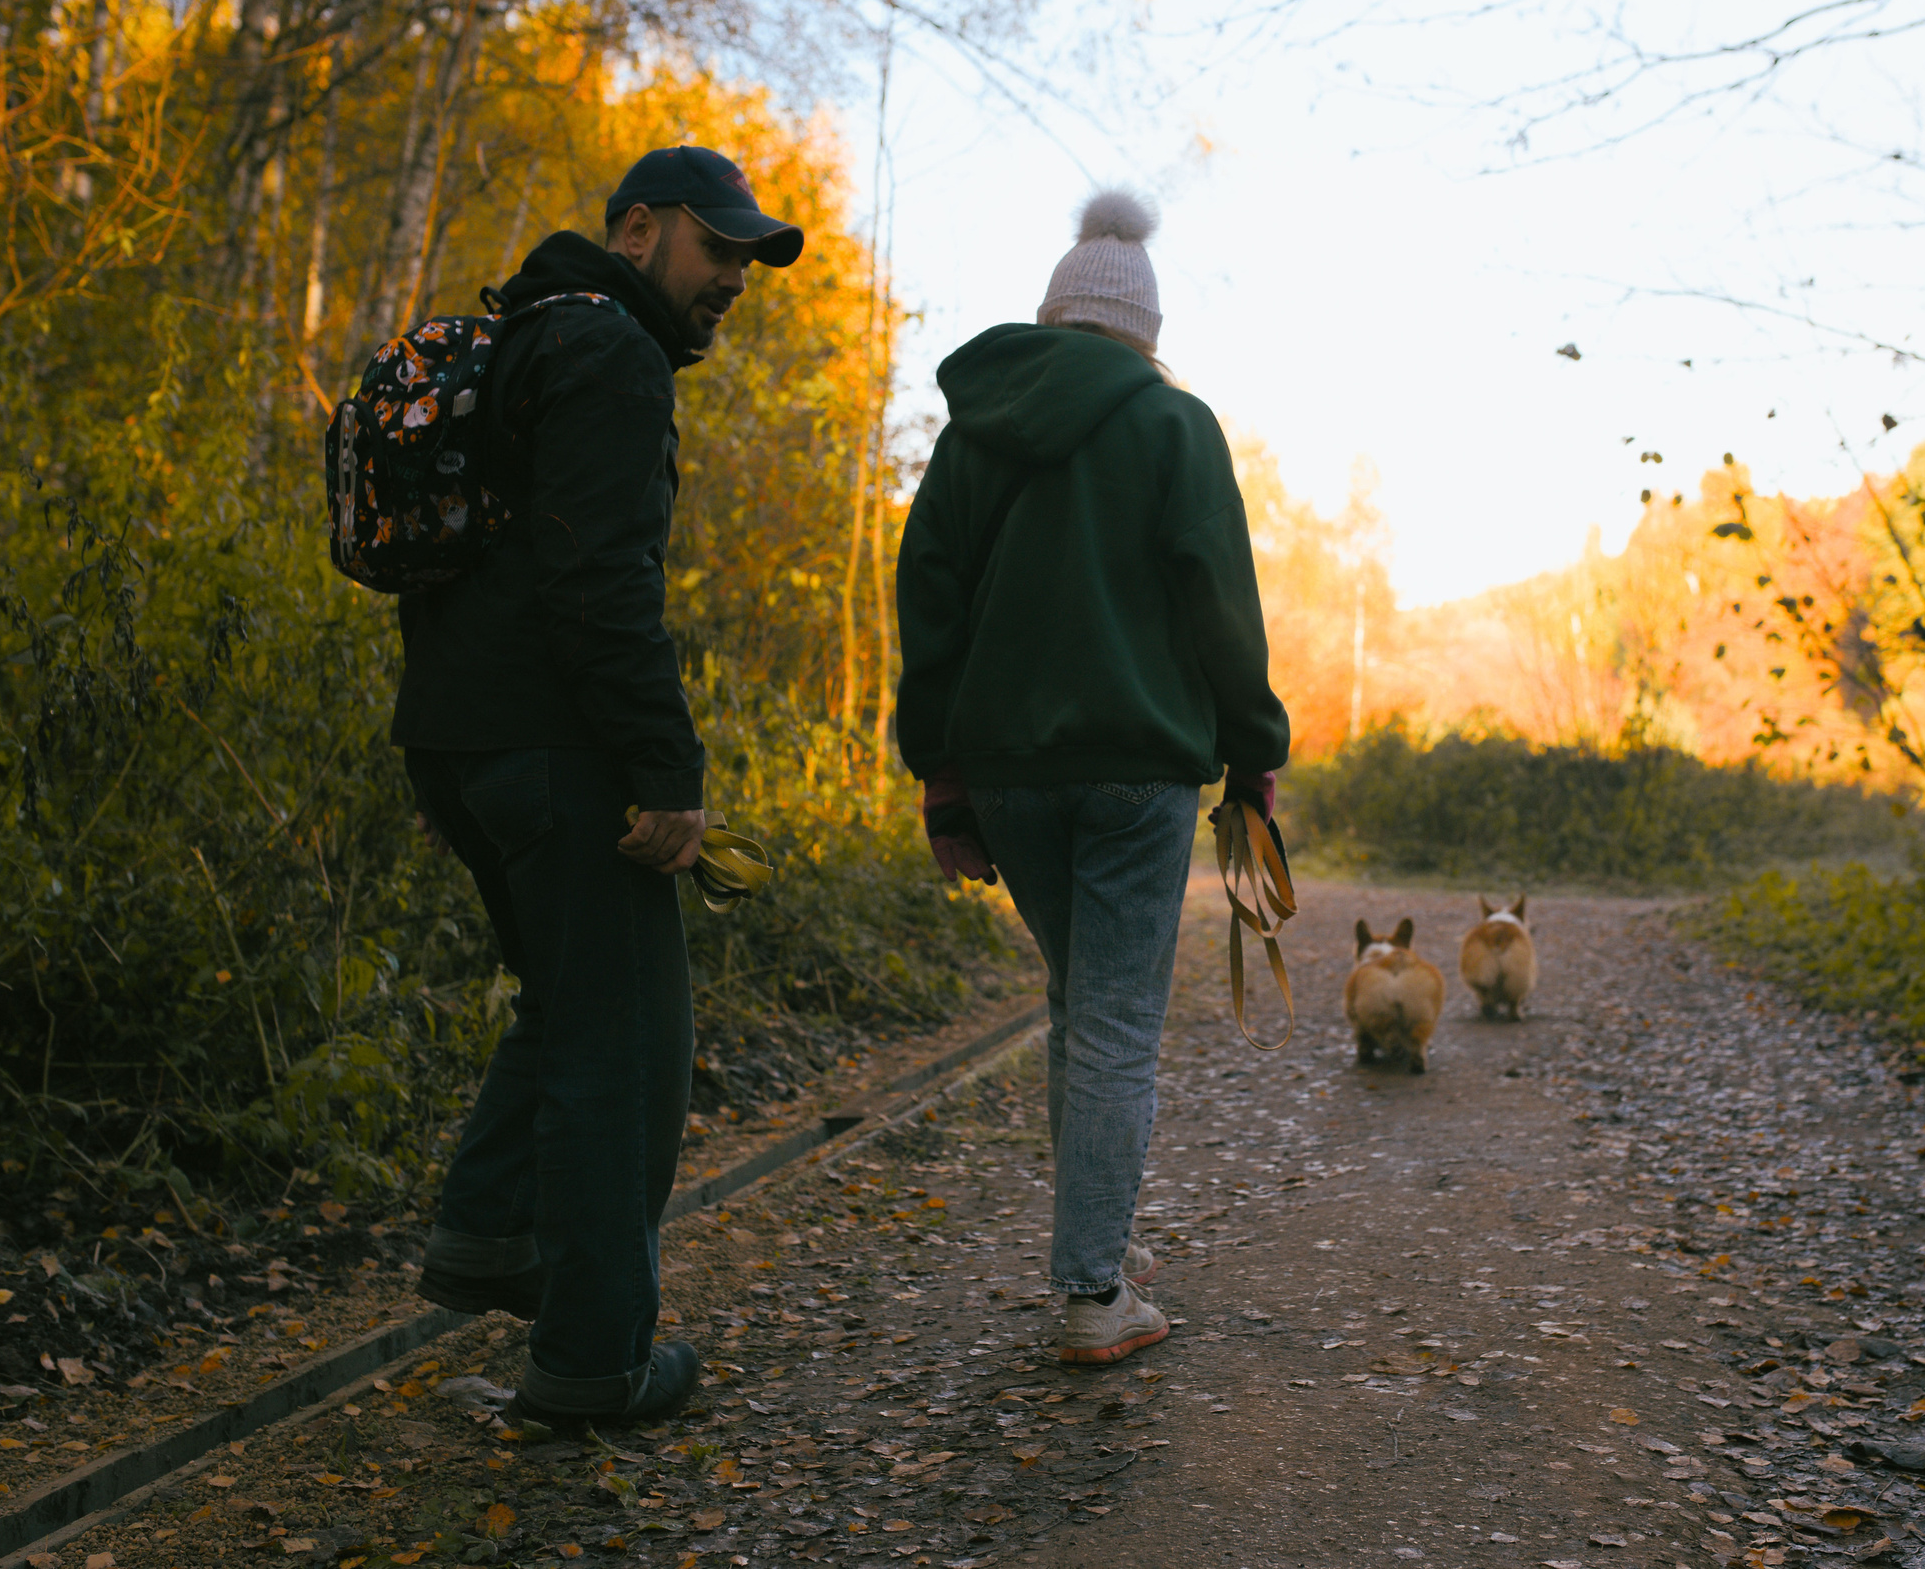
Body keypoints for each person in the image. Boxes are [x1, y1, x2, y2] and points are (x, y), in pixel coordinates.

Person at [394, 146, 804, 1428]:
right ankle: (594, 1357)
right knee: (625, 1048)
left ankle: (488, 1235)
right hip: (557, 751)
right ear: (635, 230)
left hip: (459, 743)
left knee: (571, 1010)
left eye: (747, 256)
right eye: (715, 245)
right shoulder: (610, 355)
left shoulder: (520, 337)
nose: (734, 275)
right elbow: (599, 583)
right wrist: (665, 773)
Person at [892, 189, 1289, 1364]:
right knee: (1115, 1020)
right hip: (1137, 768)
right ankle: (1090, 1290)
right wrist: (1253, 751)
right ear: (1144, 334)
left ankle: (1096, 1239)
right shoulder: (1174, 427)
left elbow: (930, 608)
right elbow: (1221, 602)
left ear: (1052, 315)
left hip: (1010, 772)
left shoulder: (973, 434)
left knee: (1079, 1004)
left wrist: (942, 778)